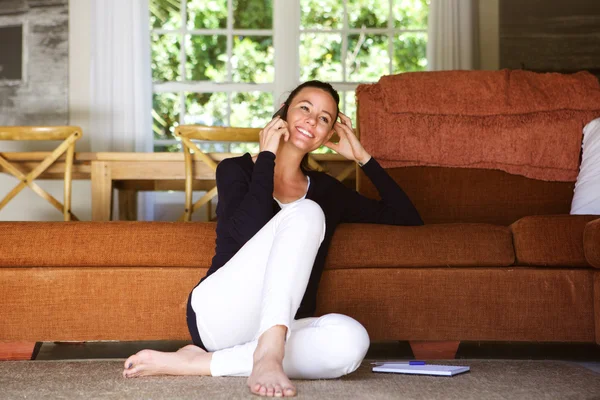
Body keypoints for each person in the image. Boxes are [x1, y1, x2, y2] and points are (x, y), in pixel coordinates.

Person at [122, 80, 423, 397]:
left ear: (327, 134)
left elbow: (406, 218)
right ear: (283, 112)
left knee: (352, 339)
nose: (312, 120)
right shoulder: (236, 170)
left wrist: (361, 156)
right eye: (304, 108)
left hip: (282, 326)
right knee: (307, 212)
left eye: (324, 118)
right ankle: (265, 356)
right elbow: (241, 235)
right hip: (220, 312)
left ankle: (204, 363)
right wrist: (266, 155)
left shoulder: (327, 191)